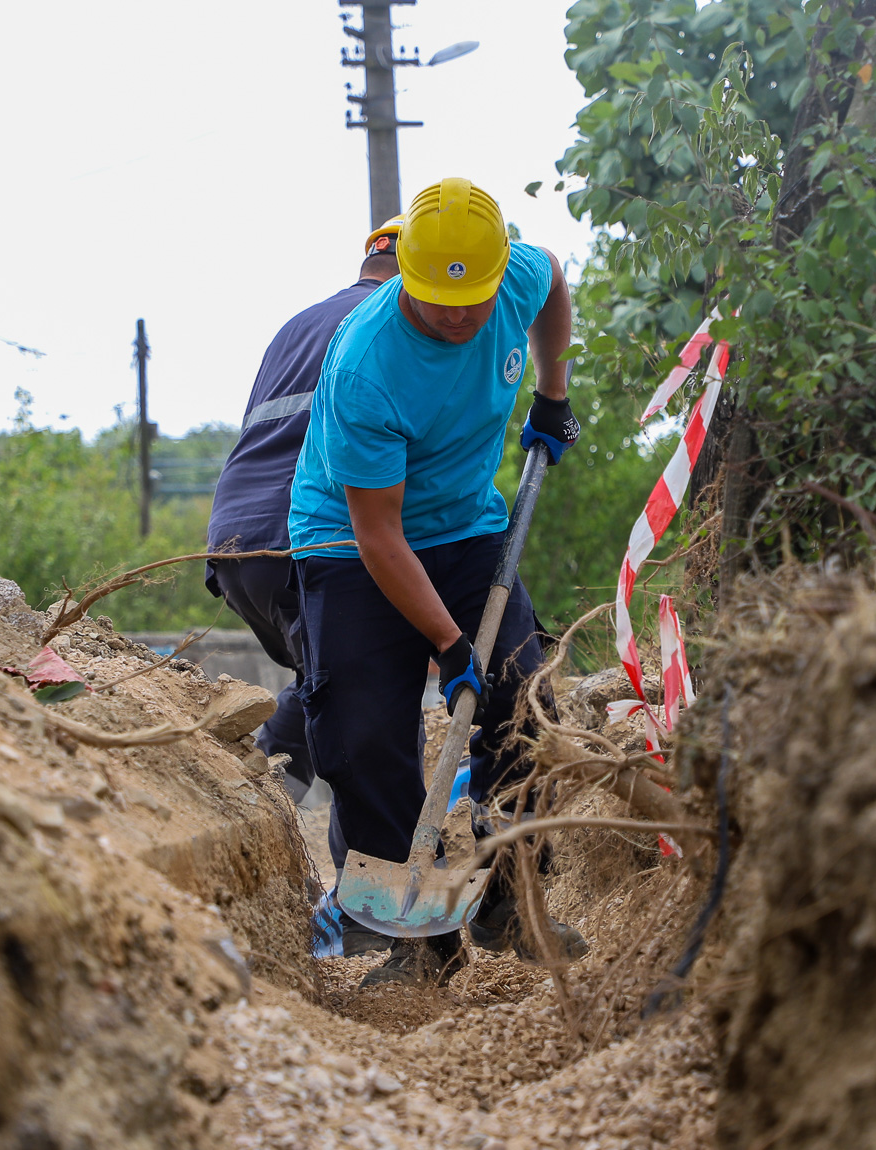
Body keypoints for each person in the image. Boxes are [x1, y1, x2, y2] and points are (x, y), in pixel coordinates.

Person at [288, 177, 588, 987]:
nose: (458, 315)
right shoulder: (366, 363)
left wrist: (551, 393)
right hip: (351, 545)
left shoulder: (516, 275)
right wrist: (450, 643)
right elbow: (379, 536)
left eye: (474, 299)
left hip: (465, 525)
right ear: (406, 276)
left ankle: (510, 896)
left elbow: (554, 277)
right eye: (436, 299)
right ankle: (420, 947)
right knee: (360, 731)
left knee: (525, 701)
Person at [206, 216, 404, 801]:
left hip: (233, 538)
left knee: (325, 676)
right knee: (360, 679)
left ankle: (264, 810)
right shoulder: (390, 323)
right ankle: (352, 849)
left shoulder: (297, 323)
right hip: (300, 534)